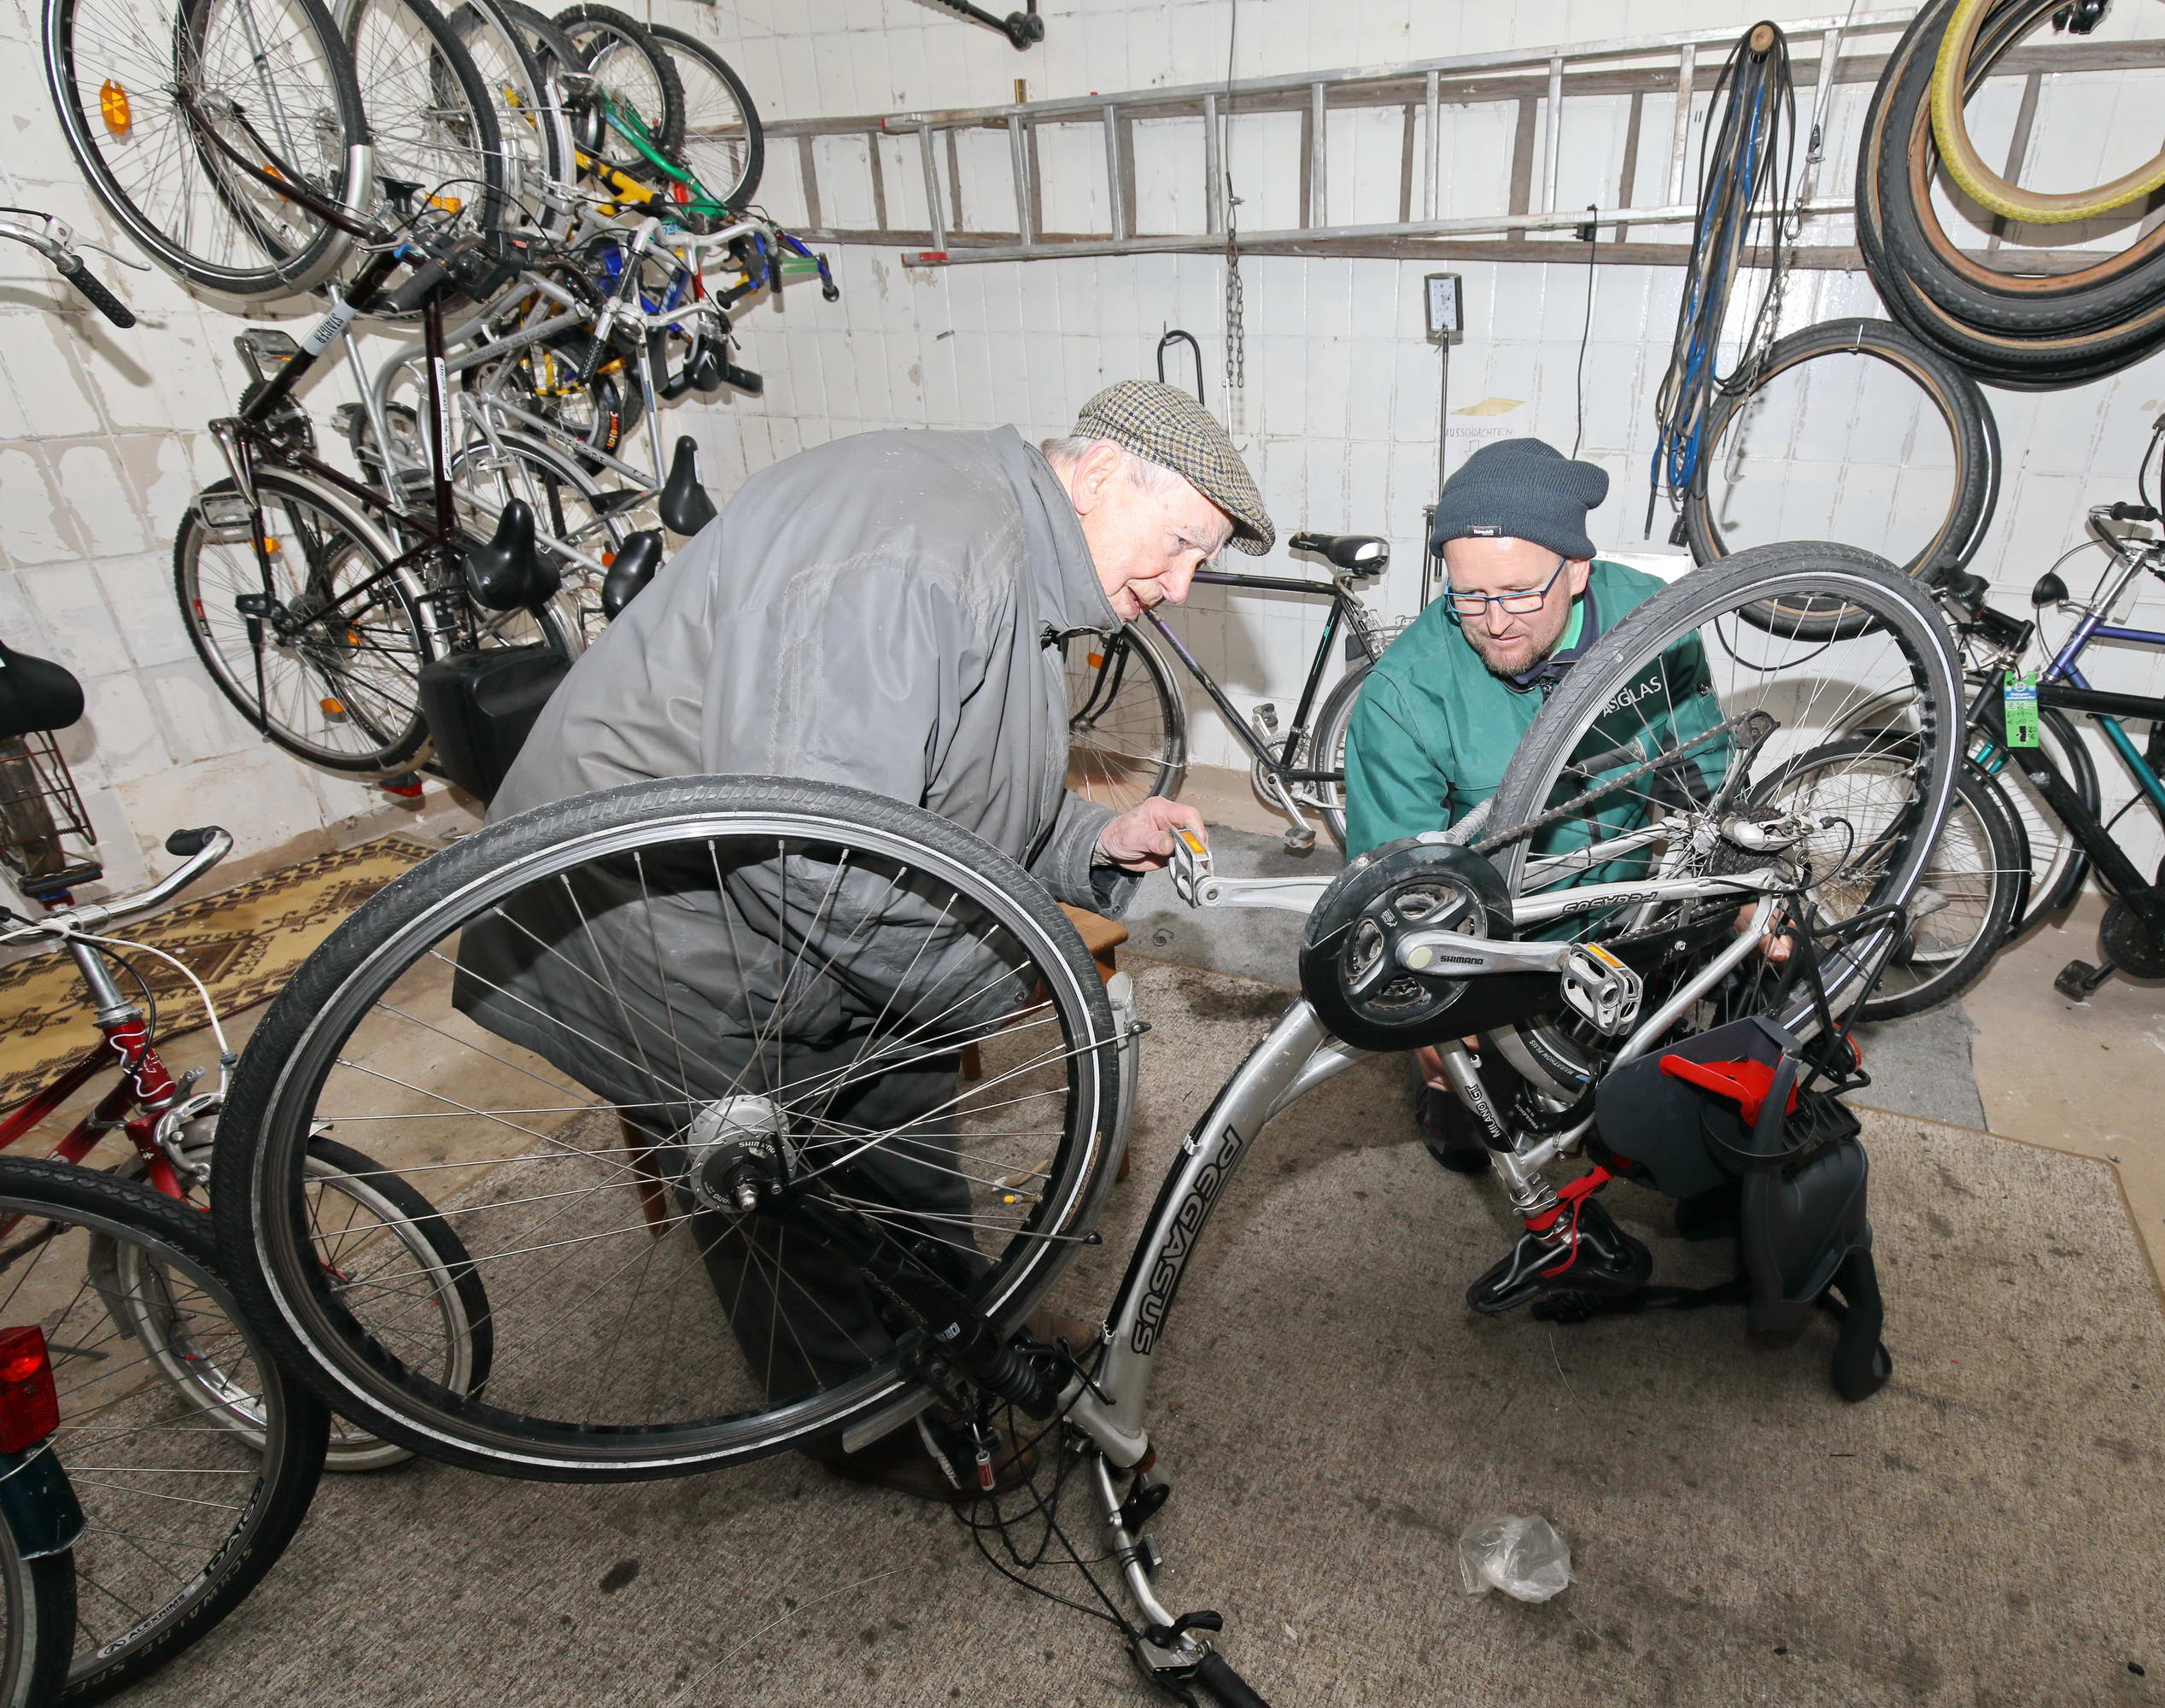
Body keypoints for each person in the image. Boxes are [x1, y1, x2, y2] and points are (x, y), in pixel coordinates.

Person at [453, 381, 1273, 1499]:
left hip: (770, 897)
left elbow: (953, 800)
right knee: (774, 1177)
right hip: (651, 913)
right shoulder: (914, 554)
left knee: (892, 1113)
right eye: (1181, 545)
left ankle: (950, 1343)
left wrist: (1095, 839)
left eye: (1201, 566)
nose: (1180, 587)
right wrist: (999, 979)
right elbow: (815, 859)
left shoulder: (1012, 557)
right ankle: (863, 1420)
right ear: (1094, 474)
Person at [1342, 436, 1724, 1173]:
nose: (1494, 621)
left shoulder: (1648, 621)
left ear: (1577, 569)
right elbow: (1391, 879)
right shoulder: (1404, 692)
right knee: (1472, 1131)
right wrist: (1425, 1008)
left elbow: (1701, 765)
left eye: (1519, 592)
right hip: (1503, 947)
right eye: (1469, 596)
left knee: (1680, 1130)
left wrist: (1734, 880)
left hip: (1635, 910)